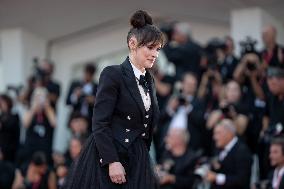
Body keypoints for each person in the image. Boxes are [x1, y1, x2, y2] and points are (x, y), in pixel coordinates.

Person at [62, 10, 165, 189]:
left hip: (137, 157)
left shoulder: (150, 80)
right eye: (150, 47)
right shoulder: (113, 73)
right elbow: (100, 122)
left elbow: (147, 127)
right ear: (132, 43)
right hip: (111, 156)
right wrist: (111, 161)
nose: (155, 54)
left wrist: (142, 157)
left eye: (157, 49)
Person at [204, 119, 252, 189]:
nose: (214, 137)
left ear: (228, 133)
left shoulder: (242, 151)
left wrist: (217, 177)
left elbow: (242, 180)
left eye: (218, 133)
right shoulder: (218, 148)